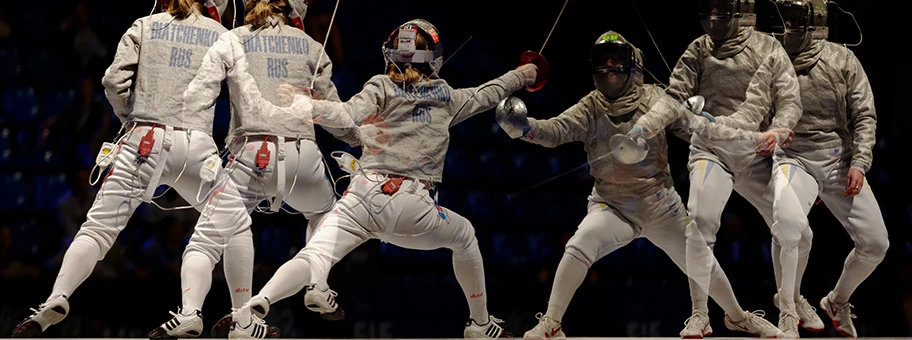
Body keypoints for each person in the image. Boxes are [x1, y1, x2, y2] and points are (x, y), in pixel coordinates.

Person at [225, 18, 538, 339]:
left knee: (313, 255)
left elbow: (345, 113)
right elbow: (489, 93)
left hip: (360, 198)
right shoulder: (446, 97)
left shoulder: (380, 86)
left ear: (390, 54)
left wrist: (307, 105)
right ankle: (480, 325)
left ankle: (255, 304)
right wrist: (524, 74)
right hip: (411, 206)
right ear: (435, 56)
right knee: (465, 236)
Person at [505, 31, 787, 340]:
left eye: (616, 59)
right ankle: (552, 322)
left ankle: (737, 317)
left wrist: (730, 133)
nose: (609, 66)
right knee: (579, 243)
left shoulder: (656, 99)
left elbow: (696, 130)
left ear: (634, 65)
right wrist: (525, 128)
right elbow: (557, 130)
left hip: (659, 205)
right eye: (603, 60)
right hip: (611, 206)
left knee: (700, 258)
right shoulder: (591, 106)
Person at [10, 0, 241, 337]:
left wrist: (130, 120)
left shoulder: (144, 25)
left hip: (142, 139)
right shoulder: (220, 34)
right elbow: (244, 93)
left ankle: (55, 299)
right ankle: (222, 315)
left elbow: (112, 81)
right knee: (233, 225)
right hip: (196, 145)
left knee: (98, 229)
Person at [152, 0, 358, 338]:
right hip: (302, 156)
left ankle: (195, 313)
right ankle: (316, 284)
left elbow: (198, 91)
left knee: (207, 240)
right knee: (325, 215)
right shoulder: (311, 46)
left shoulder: (232, 38)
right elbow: (334, 113)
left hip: (250, 154)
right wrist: (362, 138)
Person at [665, 0, 816, 337]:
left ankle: (790, 303)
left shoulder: (768, 47)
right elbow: (673, 101)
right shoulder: (698, 50)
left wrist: (776, 131)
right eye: (711, 12)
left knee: (799, 232)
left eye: (721, 12)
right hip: (712, 153)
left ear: (739, 13)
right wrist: (689, 119)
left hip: (756, 154)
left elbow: (790, 100)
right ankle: (700, 314)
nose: (715, 19)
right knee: (700, 222)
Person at [762, 1, 888, 337]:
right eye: (785, 19)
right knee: (788, 225)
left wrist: (860, 164)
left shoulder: (842, 59)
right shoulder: (771, 60)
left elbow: (864, 116)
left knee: (876, 244)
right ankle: (788, 311)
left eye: (796, 20)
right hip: (794, 160)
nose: (789, 26)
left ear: (814, 22)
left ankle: (837, 300)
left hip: (838, 163)